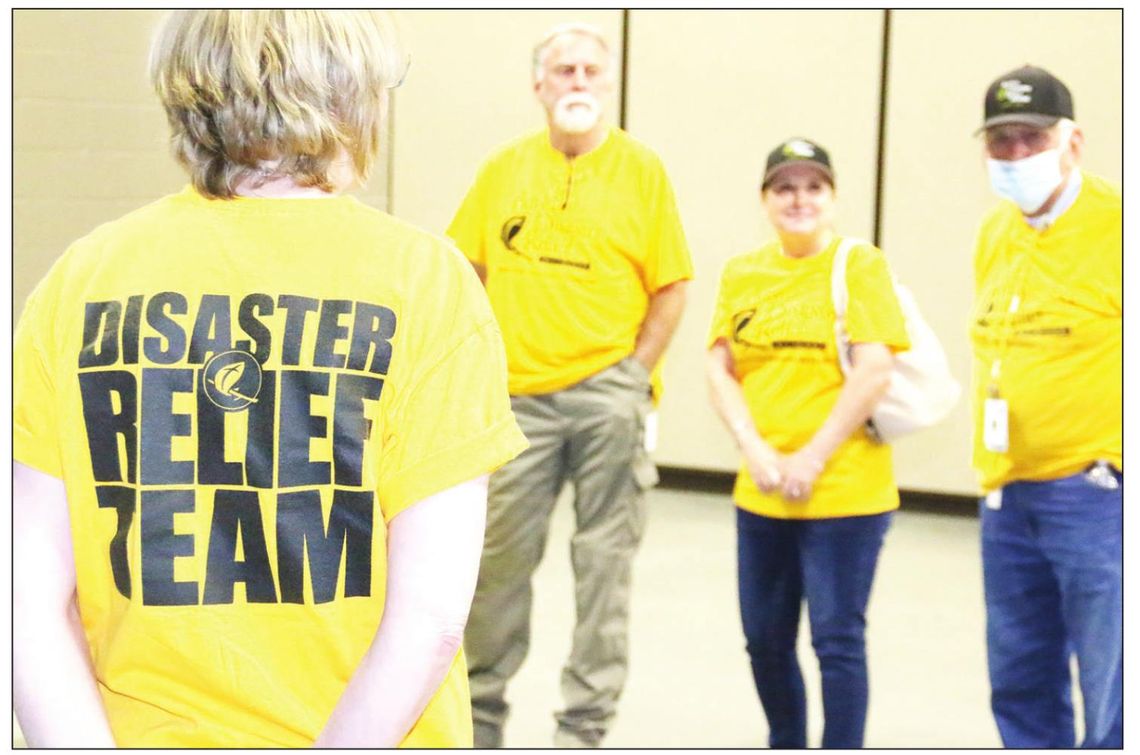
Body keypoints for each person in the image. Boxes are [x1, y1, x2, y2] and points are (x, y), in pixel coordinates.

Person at [12, 10, 527, 748]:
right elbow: (432, 615)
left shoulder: (84, 277)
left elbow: (27, 599)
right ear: (352, 97)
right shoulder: (423, 280)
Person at [445, 22, 693, 748]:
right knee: (496, 566)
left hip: (606, 399)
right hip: (516, 404)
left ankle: (583, 728)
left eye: (589, 69)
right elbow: (465, 274)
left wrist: (633, 375)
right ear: (539, 86)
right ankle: (480, 716)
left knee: (604, 568)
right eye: (563, 70)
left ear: (606, 83)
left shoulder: (642, 171)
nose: (577, 80)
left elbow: (672, 285)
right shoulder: (502, 170)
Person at [706, 138, 910, 749]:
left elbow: (875, 370)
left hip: (846, 494)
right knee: (764, 638)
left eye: (813, 187)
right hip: (763, 492)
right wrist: (757, 450)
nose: (800, 200)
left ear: (834, 198)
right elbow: (719, 366)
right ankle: (786, 741)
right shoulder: (743, 273)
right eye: (785, 188)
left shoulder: (861, 265)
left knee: (836, 639)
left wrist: (811, 457)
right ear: (765, 200)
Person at [970, 64, 1121, 748]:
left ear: (1074, 142)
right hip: (1007, 493)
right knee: (1021, 679)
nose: (1016, 156)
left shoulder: (1119, 229)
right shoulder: (995, 234)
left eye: (1032, 139)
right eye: (1001, 142)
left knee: (1113, 687)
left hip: (1095, 494)